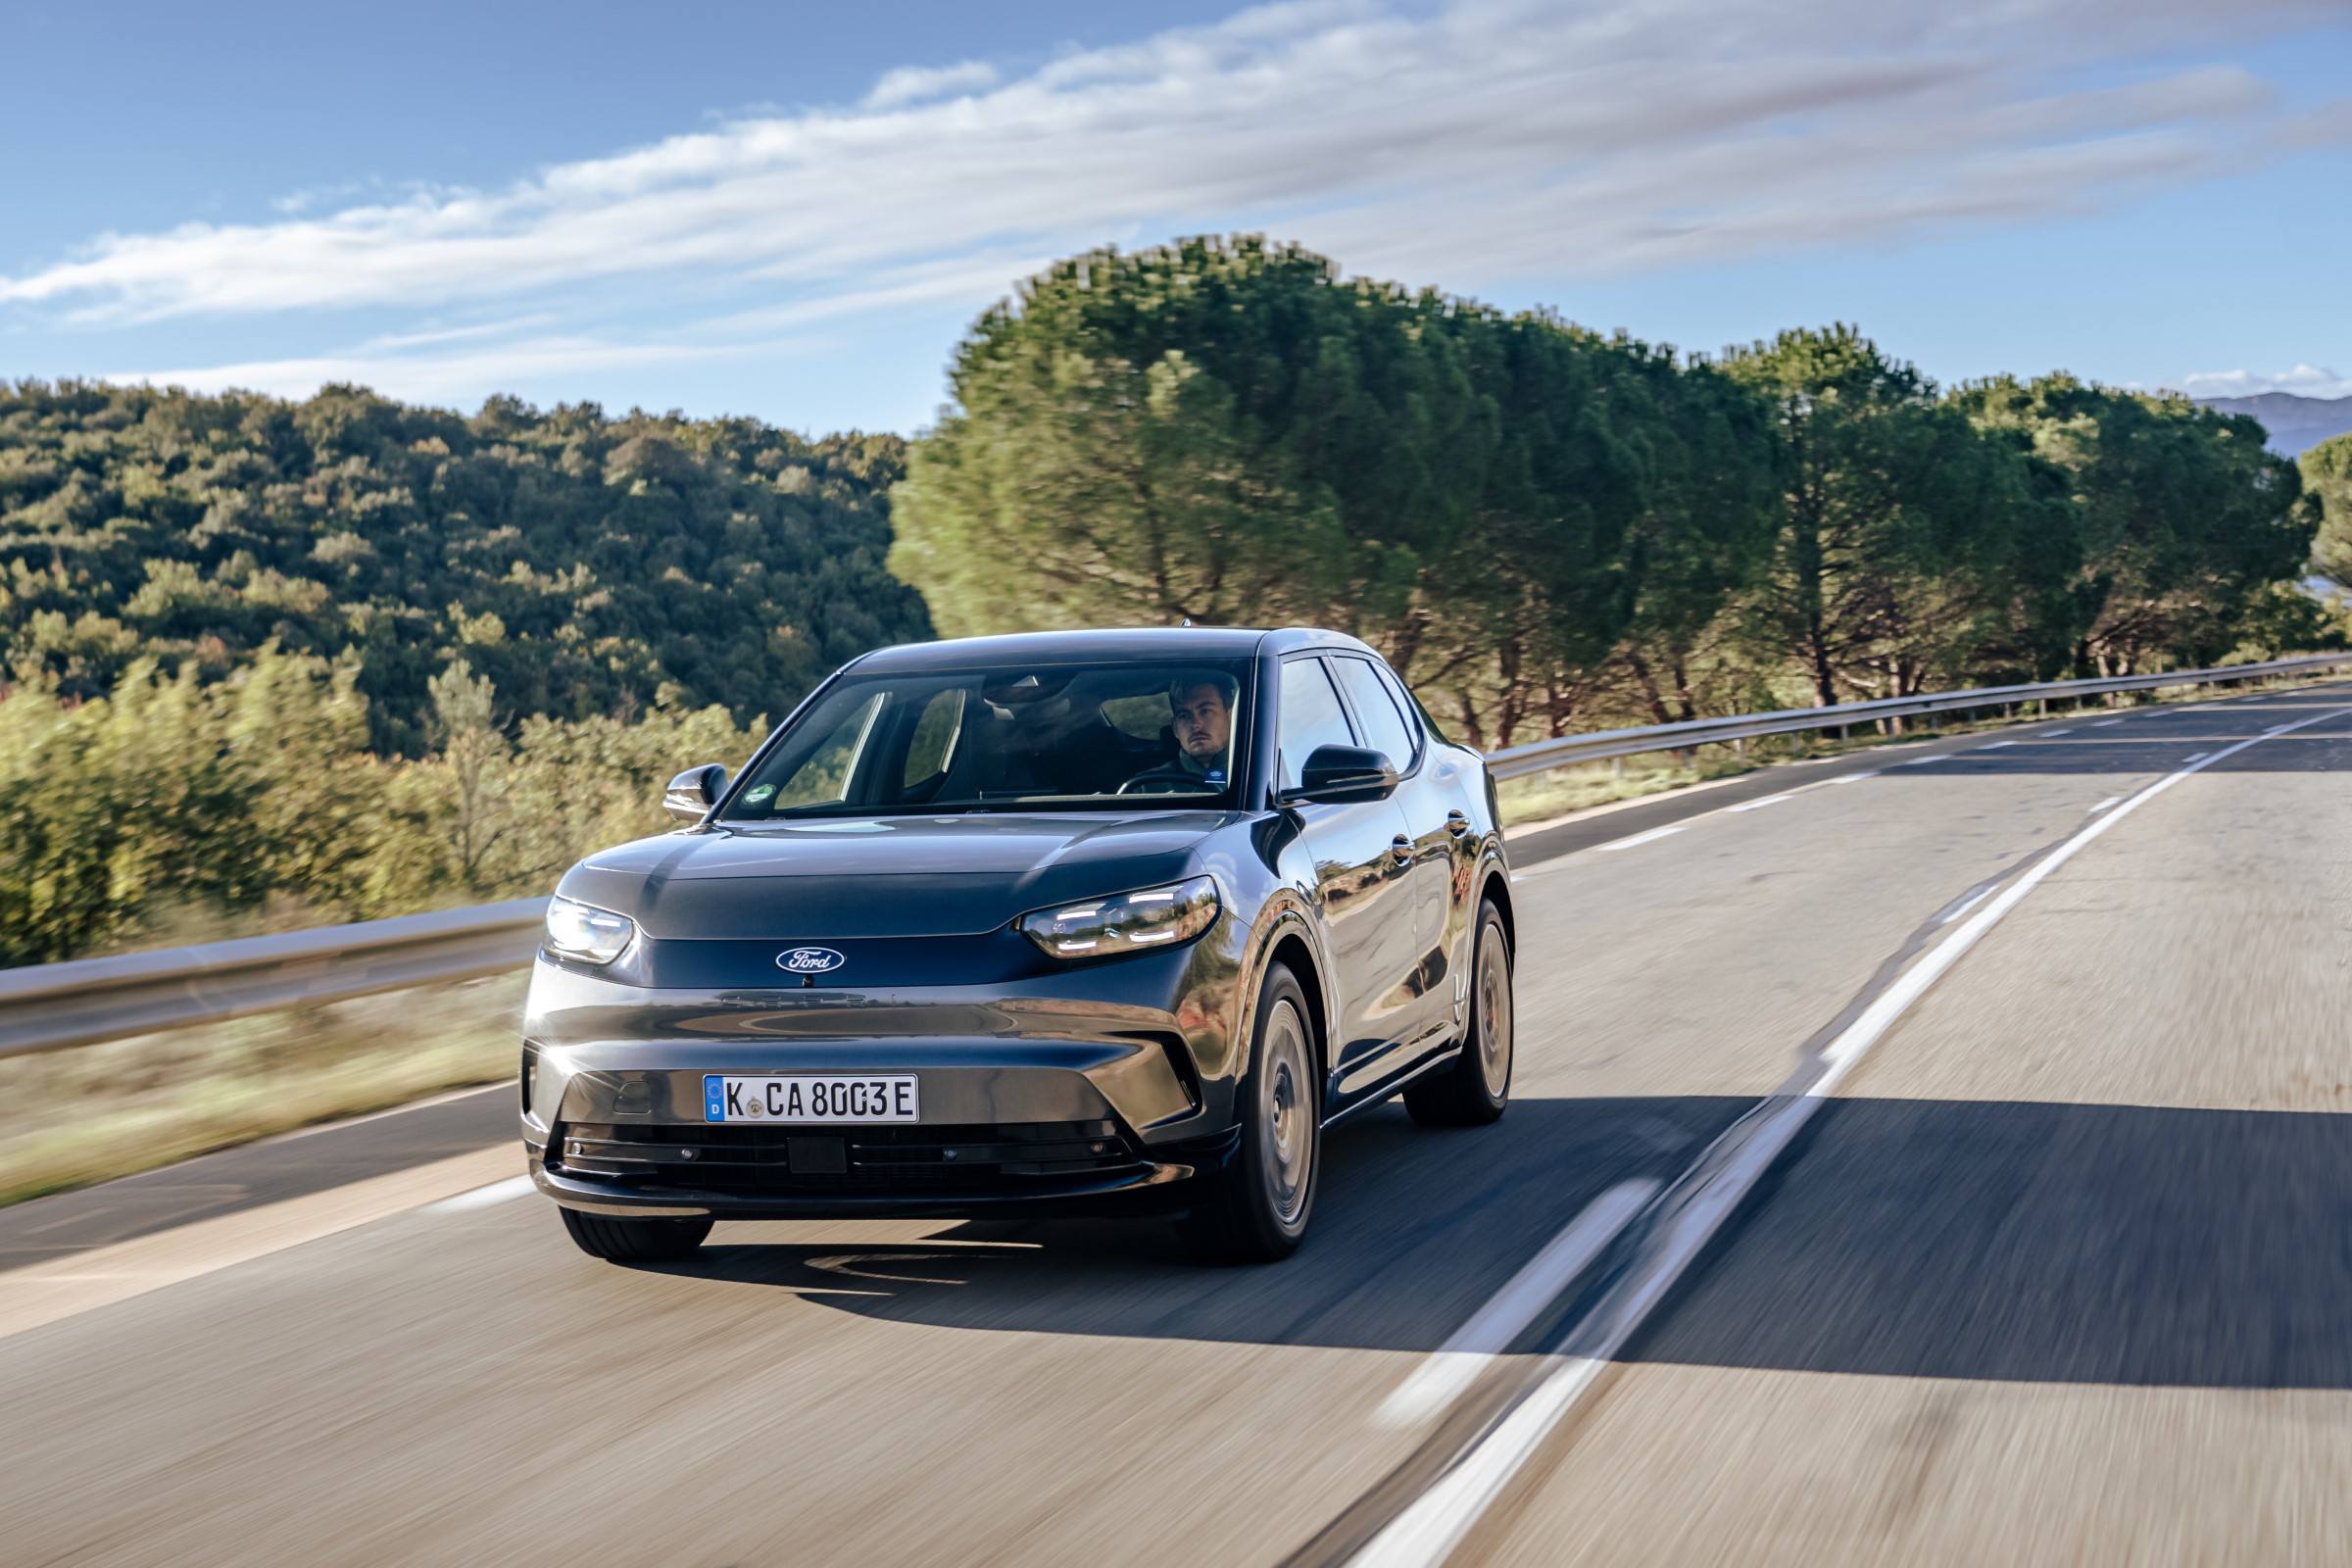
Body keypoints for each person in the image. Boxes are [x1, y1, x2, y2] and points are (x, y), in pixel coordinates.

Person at [1121, 672, 1237, 793]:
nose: (1195, 724)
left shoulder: (1253, 777)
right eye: (1184, 715)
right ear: (1175, 728)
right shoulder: (1147, 786)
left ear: (1231, 717)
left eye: (1205, 711)